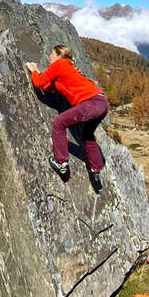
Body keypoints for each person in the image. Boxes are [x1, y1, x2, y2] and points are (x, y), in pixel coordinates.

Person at [26, 45, 109, 190]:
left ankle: (61, 163)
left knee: (59, 123)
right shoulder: (67, 68)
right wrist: (38, 73)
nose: (49, 56)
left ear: (59, 55)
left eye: (51, 53)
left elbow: (38, 82)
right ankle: (96, 172)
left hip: (91, 103)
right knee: (87, 136)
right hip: (101, 103)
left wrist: (33, 71)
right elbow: (46, 87)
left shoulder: (59, 64)